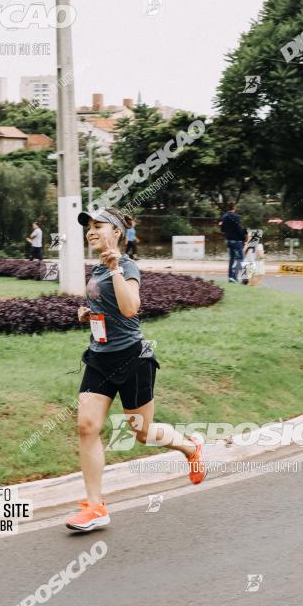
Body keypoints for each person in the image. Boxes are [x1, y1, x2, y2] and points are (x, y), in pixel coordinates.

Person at [66, 206, 206, 532]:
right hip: (100, 358)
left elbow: (130, 308)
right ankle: (96, 506)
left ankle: (190, 447)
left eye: (98, 225)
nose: (91, 231)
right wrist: (89, 313)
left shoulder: (126, 266)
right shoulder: (98, 269)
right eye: (89, 226)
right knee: (87, 426)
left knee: (142, 433)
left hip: (133, 359)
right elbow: (109, 307)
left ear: (117, 232)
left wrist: (115, 269)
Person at [219, 203, 247, 283]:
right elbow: (238, 229)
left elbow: (222, 229)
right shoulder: (236, 217)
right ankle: (237, 276)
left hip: (228, 240)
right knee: (240, 258)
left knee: (232, 259)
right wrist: (243, 237)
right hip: (236, 241)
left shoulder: (224, 217)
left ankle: (231, 277)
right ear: (234, 207)